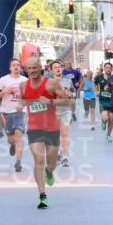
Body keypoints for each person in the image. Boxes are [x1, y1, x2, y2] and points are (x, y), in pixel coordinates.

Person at [19, 57, 67, 209]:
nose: (32, 71)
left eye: (34, 68)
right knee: (39, 159)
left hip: (52, 128)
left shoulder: (51, 83)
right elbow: (22, 100)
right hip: (34, 128)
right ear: (26, 70)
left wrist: (50, 101)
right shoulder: (23, 85)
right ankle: (42, 195)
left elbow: (66, 100)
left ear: (40, 67)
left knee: (51, 164)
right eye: (29, 68)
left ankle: (49, 172)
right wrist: (20, 104)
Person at [0, 58, 27, 172]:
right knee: (10, 139)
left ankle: (18, 162)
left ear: (20, 67)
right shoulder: (3, 80)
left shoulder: (25, 81)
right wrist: (4, 92)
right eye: (14, 65)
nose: (16, 66)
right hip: (6, 112)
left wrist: (23, 103)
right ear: (10, 68)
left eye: (18, 65)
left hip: (20, 112)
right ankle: (12, 145)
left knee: (19, 136)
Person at [49, 61, 74, 167]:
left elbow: (73, 93)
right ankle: (59, 151)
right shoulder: (48, 82)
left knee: (64, 133)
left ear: (62, 68)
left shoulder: (68, 81)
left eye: (59, 67)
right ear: (51, 70)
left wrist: (71, 94)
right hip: (53, 111)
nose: (58, 69)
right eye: (55, 67)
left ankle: (65, 158)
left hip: (65, 110)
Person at [95, 64, 113, 141]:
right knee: (106, 118)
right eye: (107, 68)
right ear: (104, 69)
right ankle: (103, 121)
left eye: (110, 68)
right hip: (103, 101)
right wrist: (97, 91)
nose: (108, 69)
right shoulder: (99, 77)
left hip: (112, 101)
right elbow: (95, 85)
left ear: (111, 69)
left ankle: (108, 135)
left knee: (111, 119)